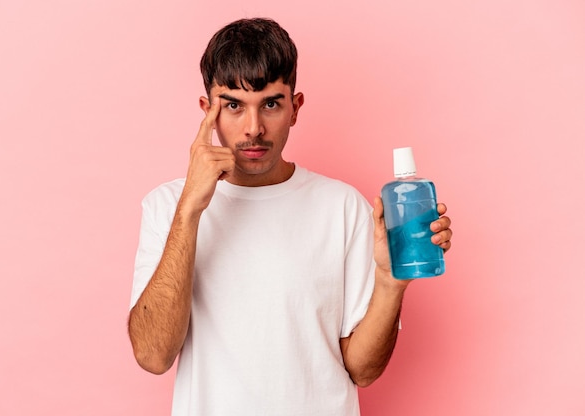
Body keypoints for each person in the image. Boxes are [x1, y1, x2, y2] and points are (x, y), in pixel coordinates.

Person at [128, 17, 452, 416]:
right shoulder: (167, 207)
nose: (254, 128)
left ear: (295, 108)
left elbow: (363, 371)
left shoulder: (343, 207)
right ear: (206, 111)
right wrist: (191, 210)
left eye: (270, 104)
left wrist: (390, 282)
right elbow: (153, 355)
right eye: (233, 105)